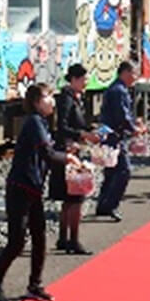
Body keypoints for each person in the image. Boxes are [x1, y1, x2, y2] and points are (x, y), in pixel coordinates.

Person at [0, 83, 80, 301]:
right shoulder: (34, 122)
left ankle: (34, 285)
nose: (52, 101)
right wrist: (68, 158)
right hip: (20, 188)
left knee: (40, 238)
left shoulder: (42, 122)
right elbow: (46, 153)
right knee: (17, 242)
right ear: (37, 101)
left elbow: (49, 150)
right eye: (48, 97)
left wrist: (67, 151)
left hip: (33, 189)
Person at [49, 64, 101, 254]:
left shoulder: (73, 98)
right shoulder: (66, 99)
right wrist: (83, 134)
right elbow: (61, 127)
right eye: (84, 79)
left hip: (70, 150)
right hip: (67, 153)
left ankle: (64, 238)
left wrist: (86, 132)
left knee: (69, 198)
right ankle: (73, 240)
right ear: (74, 79)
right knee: (75, 197)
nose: (86, 82)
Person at [94, 61, 143, 222]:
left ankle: (103, 204)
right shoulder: (119, 91)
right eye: (135, 73)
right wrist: (133, 128)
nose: (136, 77)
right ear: (126, 72)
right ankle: (110, 205)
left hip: (108, 134)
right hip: (113, 135)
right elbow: (122, 116)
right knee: (123, 170)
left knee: (111, 170)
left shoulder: (116, 88)